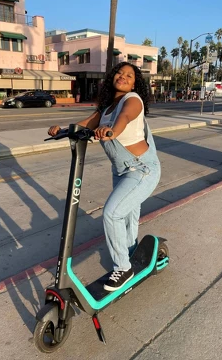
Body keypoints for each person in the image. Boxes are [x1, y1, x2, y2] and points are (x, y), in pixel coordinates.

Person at [48, 62, 161, 291]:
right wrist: (62, 130)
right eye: (120, 72)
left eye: (129, 75)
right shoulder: (107, 109)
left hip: (141, 169)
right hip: (121, 171)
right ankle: (130, 254)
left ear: (134, 83)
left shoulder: (133, 100)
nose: (123, 76)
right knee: (127, 216)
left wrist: (111, 131)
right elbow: (85, 124)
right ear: (112, 77)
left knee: (112, 213)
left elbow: (124, 118)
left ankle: (123, 268)